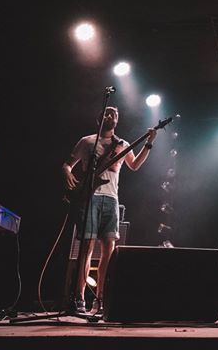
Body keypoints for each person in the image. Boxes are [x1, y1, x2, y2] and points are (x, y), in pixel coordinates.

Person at [62, 106, 155, 313]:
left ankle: (101, 298)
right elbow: (67, 164)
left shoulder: (122, 144)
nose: (111, 116)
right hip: (90, 198)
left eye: (115, 114)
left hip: (112, 199)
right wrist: (67, 172)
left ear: (117, 120)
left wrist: (149, 143)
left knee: (109, 249)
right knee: (86, 248)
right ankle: (79, 298)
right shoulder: (87, 141)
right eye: (107, 113)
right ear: (99, 118)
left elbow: (135, 165)